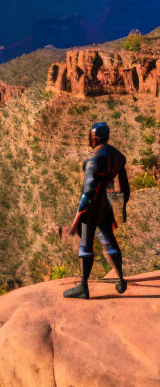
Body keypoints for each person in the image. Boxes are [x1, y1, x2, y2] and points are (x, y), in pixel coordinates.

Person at [63, 122, 130, 300]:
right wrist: (122, 208)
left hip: (92, 209)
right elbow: (125, 186)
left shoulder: (93, 161)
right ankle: (121, 280)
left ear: (96, 137)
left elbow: (88, 195)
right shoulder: (118, 156)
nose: (89, 139)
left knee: (85, 244)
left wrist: (75, 222)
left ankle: (83, 287)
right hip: (105, 207)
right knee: (109, 241)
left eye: (91, 136)